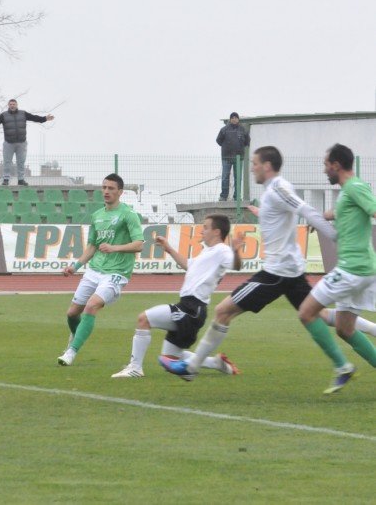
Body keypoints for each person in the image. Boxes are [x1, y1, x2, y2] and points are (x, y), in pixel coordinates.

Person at [161, 146, 376, 392]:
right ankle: (349, 357)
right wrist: (263, 212)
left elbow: (304, 209)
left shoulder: (279, 188)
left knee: (223, 311)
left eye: (254, 163)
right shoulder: (273, 192)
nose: (251, 168)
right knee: (325, 318)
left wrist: (333, 235)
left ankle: (191, 367)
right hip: (291, 271)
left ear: (266, 165)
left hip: (277, 272)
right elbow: (295, 213)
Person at [112, 214, 243, 378]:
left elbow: (236, 265)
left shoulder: (222, 250)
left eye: (205, 227)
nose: (201, 231)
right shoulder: (207, 252)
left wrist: (236, 251)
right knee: (171, 359)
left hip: (192, 309)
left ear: (216, 232)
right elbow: (187, 265)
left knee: (144, 318)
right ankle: (215, 363)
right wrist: (169, 248)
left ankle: (135, 367)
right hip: (190, 308)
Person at [295, 143, 376, 393]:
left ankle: (342, 366)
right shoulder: (348, 192)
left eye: (325, 164)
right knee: (344, 328)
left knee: (306, 312)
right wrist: (319, 219)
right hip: (361, 271)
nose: (324, 170)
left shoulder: (356, 187)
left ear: (336, 165)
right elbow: (339, 211)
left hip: (353, 269)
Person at [57, 173, 143, 366]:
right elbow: (92, 247)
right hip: (94, 270)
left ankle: (71, 352)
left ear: (120, 192)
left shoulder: (128, 215)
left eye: (111, 188)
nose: (106, 191)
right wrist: (75, 266)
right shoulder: (97, 216)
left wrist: (115, 248)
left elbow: (139, 244)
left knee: (91, 306)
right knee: (72, 313)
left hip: (116, 273)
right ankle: (76, 336)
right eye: (104, 187)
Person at [0, 99, 53, 186]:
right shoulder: (4, 115)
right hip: (9, 143)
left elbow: (34, 118)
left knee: (21, 162)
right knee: (7, 161)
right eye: (11, 104)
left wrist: (45, 118)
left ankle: (21, 179)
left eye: (14, 104)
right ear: (8, 106)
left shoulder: (23, 114)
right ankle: (6, 179)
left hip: (21, 143)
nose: (12, 105)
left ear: (17, 105)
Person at [215, 112, 250, 201]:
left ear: (238, 119)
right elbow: (218, 141)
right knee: (225, 177)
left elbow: (247, 141)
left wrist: (240, 148)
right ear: (230, 119)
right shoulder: (224, 130)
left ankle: (237, 197)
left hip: (239, 158)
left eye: (236, 117)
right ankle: (223, 196)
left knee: (238, 178)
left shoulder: (243, 130)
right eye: (232, 117)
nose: (234, 119)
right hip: (226, 157)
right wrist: (226, 147)